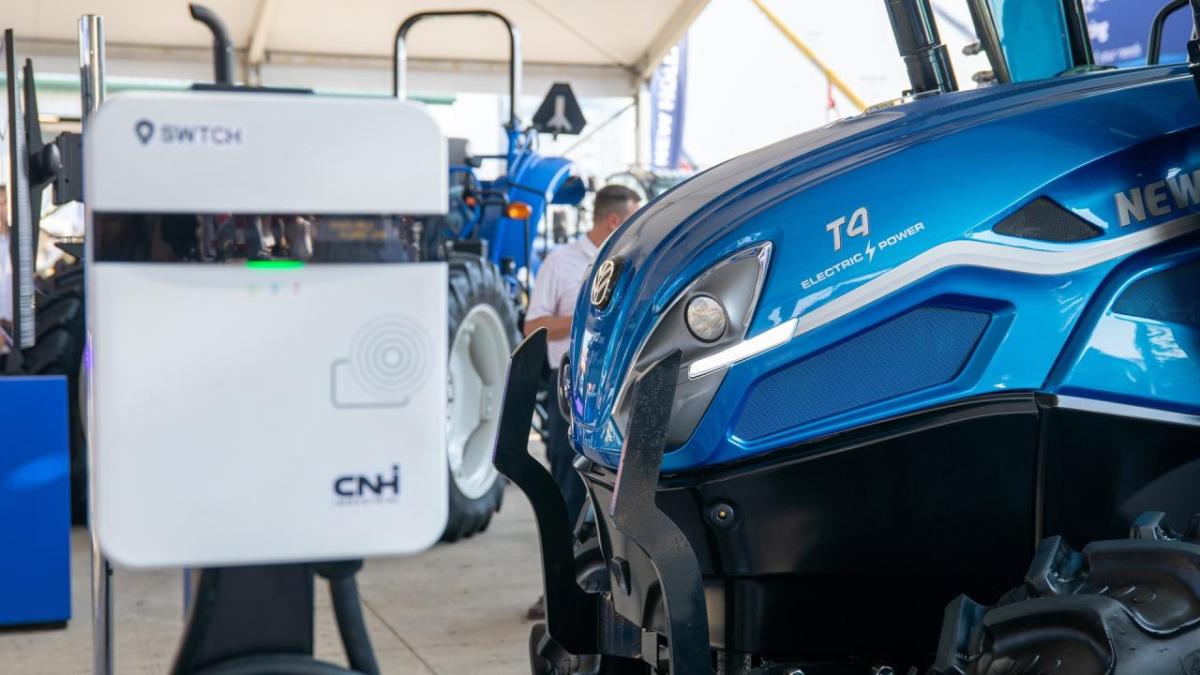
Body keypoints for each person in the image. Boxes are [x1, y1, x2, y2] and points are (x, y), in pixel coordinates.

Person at [524, 184, 641, 621]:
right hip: (570, 390)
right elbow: (532, 325)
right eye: (632, 216)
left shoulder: (630, 265)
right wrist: (587, 317)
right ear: (614, 220)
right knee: (565, 492)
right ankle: (556, 590)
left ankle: (607, 589)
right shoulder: (561, 262)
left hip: (619, 390)